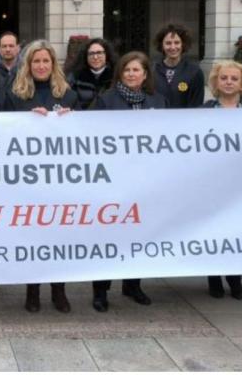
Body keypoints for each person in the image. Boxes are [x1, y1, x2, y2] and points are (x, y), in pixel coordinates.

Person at [6, 40, 78, 314]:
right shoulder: (16, 94)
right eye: (36, 61)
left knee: (58, 237)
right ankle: (32, 290)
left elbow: (83, 134)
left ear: (53, 64)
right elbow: (1, 130)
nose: (41, 65)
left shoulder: (68, 95)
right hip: (27, 178)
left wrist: (69, 120)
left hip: (58, 179)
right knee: (32, 236)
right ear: (28, 65)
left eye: (46, 61)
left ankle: (59, 290)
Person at [91, 51, 166, 310]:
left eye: (137, 70)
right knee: (108, 234)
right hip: (113, 178)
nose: (132, 74)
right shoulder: (106, 100)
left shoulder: (158, 101)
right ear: (120, 74)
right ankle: (101, 289)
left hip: (145, 179)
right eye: (127, 70)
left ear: (145, 74)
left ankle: (133, 284)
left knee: (139, 232)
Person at [201, 60, 242, 300]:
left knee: (236, 231)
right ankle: (214, 278)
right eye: (223, 78)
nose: (228, 82)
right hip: (212, 183)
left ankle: (235, 279)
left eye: (233, 79)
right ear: (216, 82)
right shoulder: (204, 110)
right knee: (213, 231)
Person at [152, 23, 205, 108]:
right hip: (158, 119)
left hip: (184, 120)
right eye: (168, 43)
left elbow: (196, 105)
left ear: (183, 44)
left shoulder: (194, 72)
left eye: (177, 42)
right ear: (162, 45)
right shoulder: (152, 71)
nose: (173, 47)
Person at [67, 37, 117, 110]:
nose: (95, 57)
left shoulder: (116, 76)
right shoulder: (75, 77)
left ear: (107, 54)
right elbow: (70, 101)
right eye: (91, 53)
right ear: (85, 56)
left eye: (99, 53)